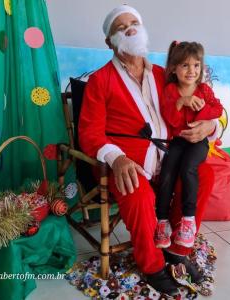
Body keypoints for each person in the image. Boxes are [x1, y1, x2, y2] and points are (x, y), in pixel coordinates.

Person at [79, 5, 217, 295]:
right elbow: (89, 133)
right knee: (138, 192)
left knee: (203, 175)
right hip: (129, 162)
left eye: (133, 23)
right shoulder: (100, 80)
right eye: (120, 26)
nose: (129, 28)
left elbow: (200, 104)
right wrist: (116, 159)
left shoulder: (162, 74)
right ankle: (152, 265)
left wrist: (211, 125)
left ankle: (178, 251)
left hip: (171, 156)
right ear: (110, 41)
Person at [154, 41, 223, 249]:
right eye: (185, 65)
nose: (191, 70)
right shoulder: (171, 90)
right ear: (174, 68)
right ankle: (162, 222)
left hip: (198, 142)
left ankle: (188, 220)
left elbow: (218, 109)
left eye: (196, 65)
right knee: (167, 172)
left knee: (188, 169)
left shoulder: (204, 90)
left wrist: (202, 116)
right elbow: (171, 119)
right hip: (177, 141)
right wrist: (181, 102)